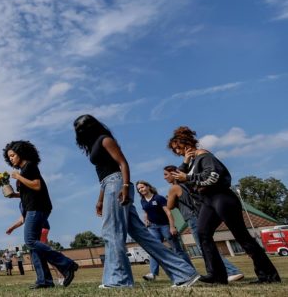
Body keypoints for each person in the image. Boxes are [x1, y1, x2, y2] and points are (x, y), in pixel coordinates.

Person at [73, 114, 200, 288]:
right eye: (78, 129)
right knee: (142, 234)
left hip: (117, 184)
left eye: (83, 127)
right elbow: (103, 174)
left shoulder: (105, 140)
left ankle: (119, 280)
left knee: (112, 232)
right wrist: (100, 199)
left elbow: (123, 164)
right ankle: (184, 273)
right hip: (108, 185)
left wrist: (125, 186)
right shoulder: (94, 144)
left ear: (93, 126)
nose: (80, 131)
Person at [168, 126, 281, 285]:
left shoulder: (204, 156)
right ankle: (217, 275)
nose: (177, 152)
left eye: (178, 148)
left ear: (186, 144)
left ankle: (268, 275)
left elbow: (213, 176)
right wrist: (185, 162)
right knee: (203, 234)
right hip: (208, 201)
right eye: (174, 151)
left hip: (222, 197)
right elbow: (177, 179)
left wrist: (188, 176)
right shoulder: (191, 161)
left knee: (241, 236)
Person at [4, 140, 79, 289]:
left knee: (30, 241)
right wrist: (15, 195)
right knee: (34, 247)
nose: (11, 158)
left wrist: (18, 177)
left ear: (21, 153)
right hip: (34, 207)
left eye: (13, 155)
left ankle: (67, 264)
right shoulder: (24, 170)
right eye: (9, 157)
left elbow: (37, 185)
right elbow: (29, 192)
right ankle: (44, 281)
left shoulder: (29, 166)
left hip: (37, 208)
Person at [162, 165, 245, 282]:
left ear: (173, 174)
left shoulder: (174, 188)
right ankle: (216, 273)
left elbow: (169, 206)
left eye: (166, 174)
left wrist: (171, 199)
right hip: (201, 215)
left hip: (192, 218)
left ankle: (232, 271)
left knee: (204, 248)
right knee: (207, 246)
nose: (165, 178)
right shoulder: (188, 184)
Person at [135, 180, 193, 281]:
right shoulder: (142, 200)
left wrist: (172, 227)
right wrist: (147, 220)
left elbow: (168, 213)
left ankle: (191, 270)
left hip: (165, 226)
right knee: (154, 249)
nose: (141, 190)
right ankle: (153, 274)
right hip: (153, 227)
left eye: (142, 187)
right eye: (139, 189)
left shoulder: (159, 198)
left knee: (177, 249)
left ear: (148, 187)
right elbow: (146, 212)